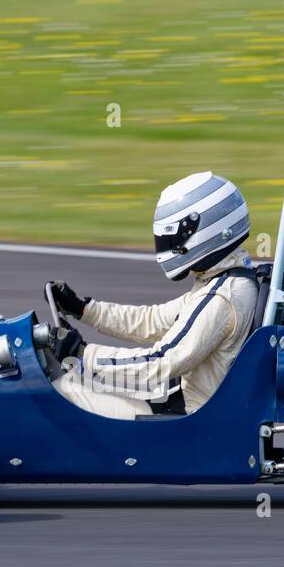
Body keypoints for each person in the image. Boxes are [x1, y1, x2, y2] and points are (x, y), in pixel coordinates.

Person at [47, 172, 259, 419]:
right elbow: (153, 320)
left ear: (207, 231)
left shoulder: (221, 298)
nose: (167, 245)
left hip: (192, 418)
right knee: (75, 378)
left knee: (58, 391)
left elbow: (161, 361)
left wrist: (81, 354)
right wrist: (84, 310)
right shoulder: (227, 281)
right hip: (179, 397)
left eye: (172, 236)